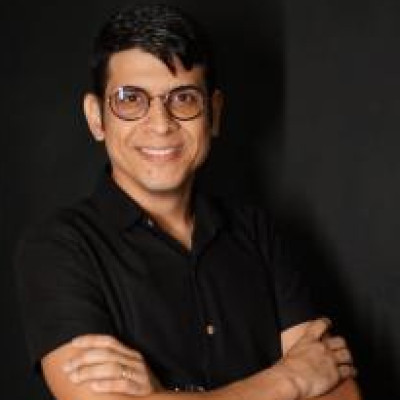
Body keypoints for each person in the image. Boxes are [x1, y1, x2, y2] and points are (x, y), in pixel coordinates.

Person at [15, 4, 361, 400]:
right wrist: (288, 381)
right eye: (130, 99)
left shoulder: (258, 234)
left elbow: (343, 394)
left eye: (183, 98)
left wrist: (164, 395)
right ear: (96, 118)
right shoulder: (59, 248)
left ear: (214, 114)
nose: (160, 124)